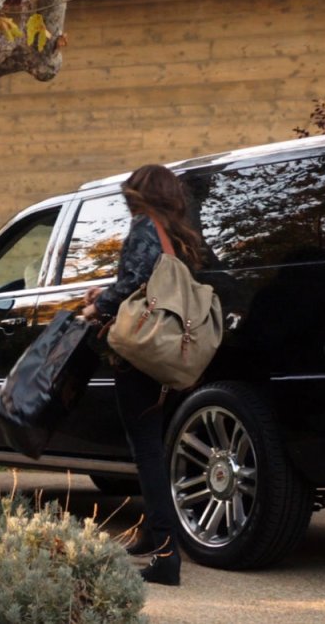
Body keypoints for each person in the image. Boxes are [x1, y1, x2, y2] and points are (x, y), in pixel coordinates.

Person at [80, 164, 204, 587]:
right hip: (172, 353)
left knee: (146, 449)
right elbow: (153, 286)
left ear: (142, 194)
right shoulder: (182, 236)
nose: (126, 199)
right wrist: (112, 291)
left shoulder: (144, 228)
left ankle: (167, 554)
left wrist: (98, 305)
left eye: (130, 193)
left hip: (141, 355)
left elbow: (134, 282)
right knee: (155, 446)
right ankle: (153, 534)